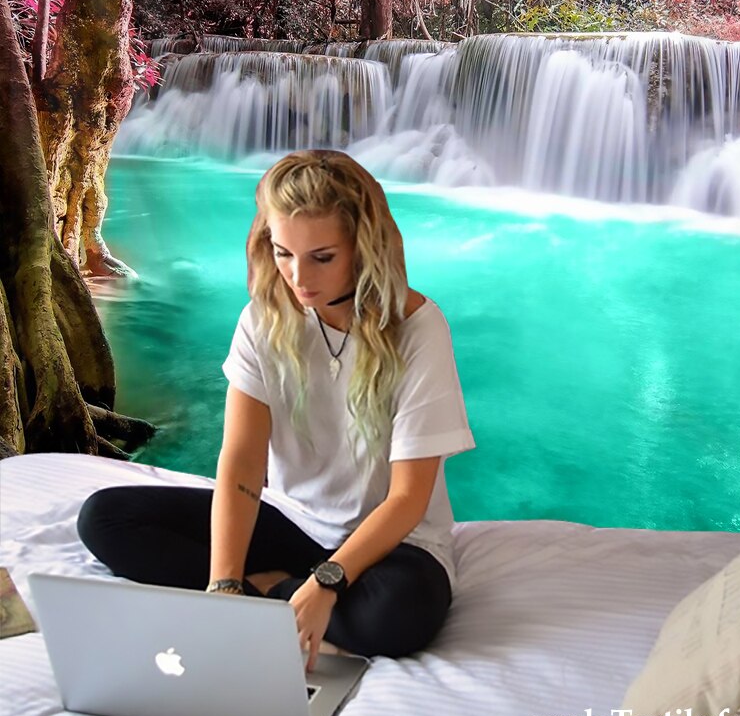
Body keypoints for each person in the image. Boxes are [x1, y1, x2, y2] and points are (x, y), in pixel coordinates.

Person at [78, 149, 476, 665]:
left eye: (322, 257)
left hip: (392, 545)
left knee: (397, 616)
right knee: (105, 519)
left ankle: (274, 591)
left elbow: (407, 499)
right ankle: (266, 591)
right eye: (283, 252)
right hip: (294, 523)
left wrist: (327, 581)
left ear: (364, 245)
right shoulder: (262, 320)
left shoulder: (420, 329)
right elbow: (242, 461)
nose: (297, 276)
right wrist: (222, 584)